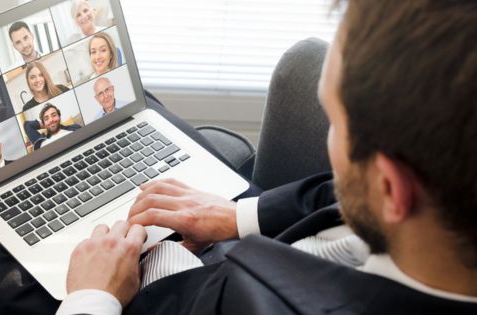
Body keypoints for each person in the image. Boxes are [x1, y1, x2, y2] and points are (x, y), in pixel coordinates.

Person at [58, 0, 477, 314]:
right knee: (132, 107)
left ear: (390, 188)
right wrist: (240, 215)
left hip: (157, 294)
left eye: (334, 122)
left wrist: (91, 298)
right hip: (255, 238)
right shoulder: (432, 207)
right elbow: (334, 199)